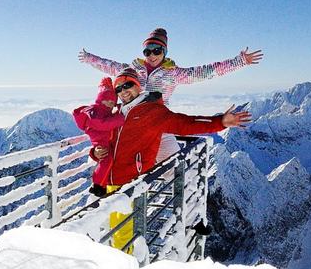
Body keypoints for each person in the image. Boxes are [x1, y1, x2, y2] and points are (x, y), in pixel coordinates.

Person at [95, 68, 251, 188]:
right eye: (118, 89)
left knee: (122, 230)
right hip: (105, 182)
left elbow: (184, 123)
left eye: (127, 85)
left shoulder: (152, 111)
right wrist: (95, 153)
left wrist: (219, 121)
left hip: (128, 183)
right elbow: (104, 142)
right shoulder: (116, 113)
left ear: (137, 86)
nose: (123, 91)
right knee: (104, 229)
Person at [78, 27, 262, 101]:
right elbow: (109, 65)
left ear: (164, 52)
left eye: (157, 50)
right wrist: (89, 58)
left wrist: (240, 61)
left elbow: (208, 71)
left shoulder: (174, 74)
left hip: (156, 119)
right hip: (130, 116)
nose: (152, 55)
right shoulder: (132, 70)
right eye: (147, 51)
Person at [72, 77, 126, 195]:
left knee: (107, 161)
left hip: (107, 146)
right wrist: (121, 118)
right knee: (106, 160)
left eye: (113, 103)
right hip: (102, 142)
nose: (111, 105)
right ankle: (98, 185)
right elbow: (103, 124)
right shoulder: (96, 112)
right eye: (108, 101)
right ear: (101, 99)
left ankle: (100, 184)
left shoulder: (104, 112)